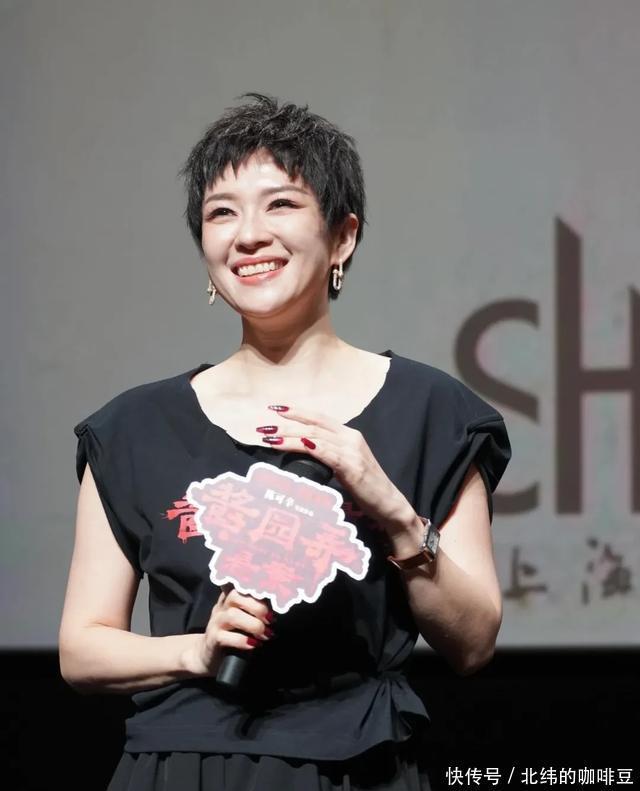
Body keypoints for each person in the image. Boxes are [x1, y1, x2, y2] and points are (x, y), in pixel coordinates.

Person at [59, 92, 511, 790]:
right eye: (221, 213)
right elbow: (82, 649)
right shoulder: (135, 427)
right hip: (184, 768)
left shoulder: (431, 412)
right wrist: (196, 651)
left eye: (281, 204)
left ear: (343, 237)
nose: (248, 235)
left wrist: (393, 513)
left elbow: (474, 643)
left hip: (358, 766)